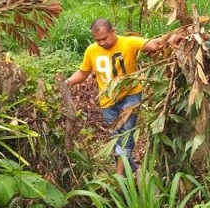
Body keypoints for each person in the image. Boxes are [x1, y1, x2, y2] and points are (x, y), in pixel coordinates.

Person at [65, 18, 163, 176]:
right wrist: (66, 82)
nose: (102, 43)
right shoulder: (91, 50)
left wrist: (170, 39)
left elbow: (152, 44)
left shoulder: (128, 43)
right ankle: (135, 172)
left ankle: (119, 175)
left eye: (105, 38)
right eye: (98, 40)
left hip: (130, 95)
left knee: (126, 132)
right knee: (116, 138)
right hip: (108, 101)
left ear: (113, 31)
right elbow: (83, 73)